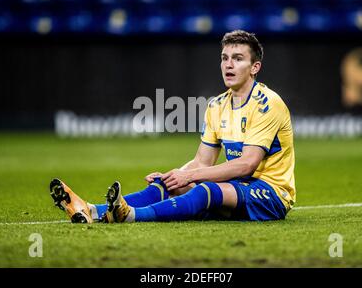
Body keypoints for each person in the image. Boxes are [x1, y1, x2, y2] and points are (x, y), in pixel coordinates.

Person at [50, 30, 296, 224]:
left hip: (270, 194)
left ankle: (131, 216)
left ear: (255, 67)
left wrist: (188, 176)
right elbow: (202, 162)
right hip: (236, 187)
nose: (228, 65)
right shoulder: (217, 105)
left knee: (204, 190)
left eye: (238, 59)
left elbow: (246, 164)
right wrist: (174, 175)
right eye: (224, 58)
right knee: (166, 185)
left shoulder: (268, 103)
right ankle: (92, 210)